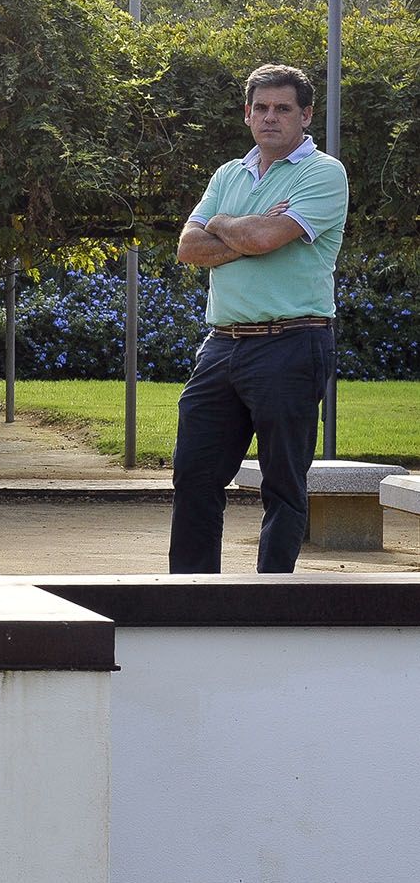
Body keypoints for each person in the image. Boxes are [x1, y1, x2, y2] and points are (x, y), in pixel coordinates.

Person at [169, 63, 349, 574]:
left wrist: (223, 226)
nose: (271, 118)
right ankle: (189, 597)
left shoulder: (324, 174)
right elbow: (188, 247)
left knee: (282, 484)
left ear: (306, 115)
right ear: (248, 114)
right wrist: (246, 228)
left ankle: (272, 600)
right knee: (195, 477)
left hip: (292, 342)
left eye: (283, 109)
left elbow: (264, 239)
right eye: (261, 108)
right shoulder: (229, 173)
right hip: (221, 346)